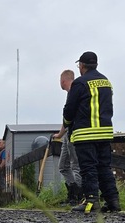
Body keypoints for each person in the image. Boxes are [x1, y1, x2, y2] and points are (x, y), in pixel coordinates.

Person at [62, 51, 120, 213]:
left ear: (81, 66)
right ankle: (113, 201)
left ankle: (92, 201)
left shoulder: (80, 83)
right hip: (105, 133)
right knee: (104, 168)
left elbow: (69, 110)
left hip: (85, 134)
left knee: (88, 168)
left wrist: (67, 124)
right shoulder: (106, 82)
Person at [52, 69, 82, 206]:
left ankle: (79, 195)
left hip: (74, 133)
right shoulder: (70, 94)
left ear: (63, 80)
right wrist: (60, 134)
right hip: (67, 133)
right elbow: (66, 117)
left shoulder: (75, 92)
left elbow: (70, 116)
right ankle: (72, 192)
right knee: (63, 166)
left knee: (75, 165)